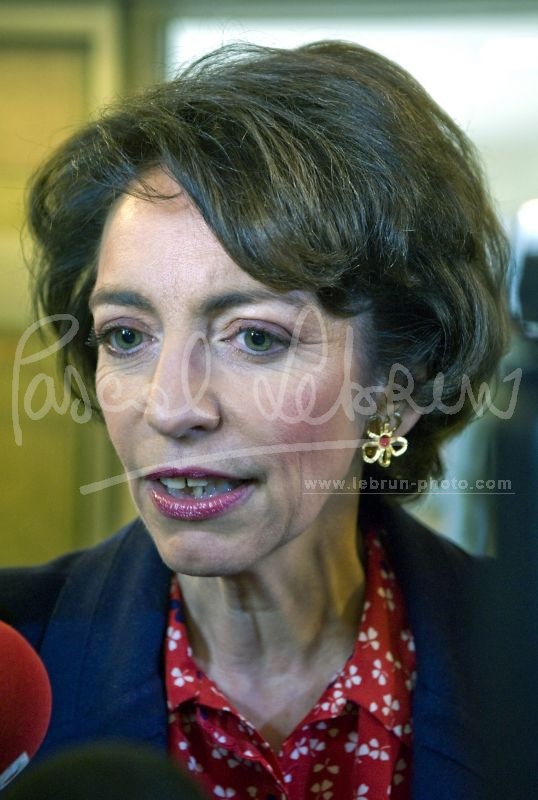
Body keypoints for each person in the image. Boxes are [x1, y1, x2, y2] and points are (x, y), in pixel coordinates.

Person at [0, 41, 509, 799]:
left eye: (257, 338)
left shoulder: (519, 657)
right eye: (127, 336)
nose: (172, 407)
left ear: (397, 390)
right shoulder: (14, 670)